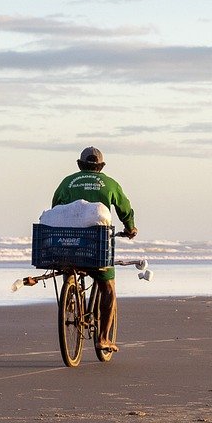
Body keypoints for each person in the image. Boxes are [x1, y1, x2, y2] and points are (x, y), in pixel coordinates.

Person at [52, 146, 137, 353]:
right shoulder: (109, 183)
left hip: (68, 244)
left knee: (69, 263)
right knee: (108, 288)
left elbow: (56, 209)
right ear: (101, 166)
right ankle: (103, 338)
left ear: (80, 165)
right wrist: (130, 227)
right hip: (97, 246)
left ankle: (70, 297)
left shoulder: (67, 182)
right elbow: (124, 208)